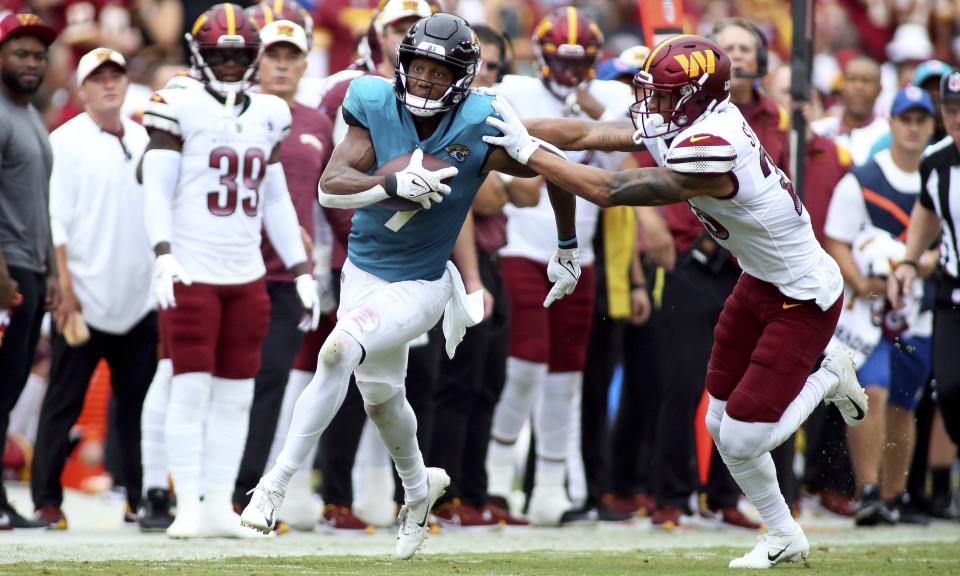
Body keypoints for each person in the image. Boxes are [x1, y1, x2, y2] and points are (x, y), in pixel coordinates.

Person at [484, 34, 869, 568]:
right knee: (717, 420)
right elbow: (590, 132)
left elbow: (612, 190)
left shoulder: (712, 144)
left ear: (697, 97)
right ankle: (783, 533)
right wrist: (512, 128)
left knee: (739, 439)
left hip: (802, 297)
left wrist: (528, 152)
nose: (653, 105)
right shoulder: (687, 116)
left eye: (666, 95)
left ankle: (828, 374)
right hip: (759, 280)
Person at [241, 12, 578, 559]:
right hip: (362, 272)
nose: (425, 80)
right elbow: (331, 187)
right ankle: (420, 491)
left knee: (337, 350)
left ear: (462, 79)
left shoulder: (481, 117)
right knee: (382, 398)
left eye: (439, 72)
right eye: (418, 67)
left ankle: (274, 485)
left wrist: (566, 244)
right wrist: (387, 184)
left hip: (423, 283)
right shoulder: (372, 99)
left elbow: (554, 164)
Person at [140, 3, 318, 538]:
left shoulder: (270, 112)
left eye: (241, 55)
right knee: (190, 388)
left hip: (246, 274)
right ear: (199, 56)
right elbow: (155, 186)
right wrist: (163, 252)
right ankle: (187, 503)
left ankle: (219, 502)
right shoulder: (178, 103)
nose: (232, 64)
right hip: (192, 266)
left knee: (239, 391)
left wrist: (301, 269)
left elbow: (277, 200)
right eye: (221, 55)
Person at [484, 6, 633, 526]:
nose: (568, 73)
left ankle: (551, 489)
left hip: (582, 253)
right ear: (541, 56)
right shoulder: (516, 92)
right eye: (560, 63)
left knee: (566, 376)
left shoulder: (611, 97)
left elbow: (618, 168)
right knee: (524, 367)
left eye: (579, 63)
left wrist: (585, 105)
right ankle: (497, 482)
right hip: (525, 248)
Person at [31, 47, 156, 530]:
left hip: (138, 297)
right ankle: (46, 499)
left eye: (116, 76)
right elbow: (54, 219)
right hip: (81, 295)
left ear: (127, 84)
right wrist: (62, 284)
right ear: (81, 90)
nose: (109, 84)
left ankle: (136, 496)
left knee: (138, 407)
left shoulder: (147, 138)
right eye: (98, 78)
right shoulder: (64, 141)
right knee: (63, 400)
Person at [231, 19, 334, 529]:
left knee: (273, 379)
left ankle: (245, 492)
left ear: (305, 62)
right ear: (256, 59)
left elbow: (329, 197)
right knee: (224, 379)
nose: (281, 65)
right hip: (235, 266)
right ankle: (202, 486)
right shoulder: (234, 111)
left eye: (291, 56)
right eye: (272, 55)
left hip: (289, 273)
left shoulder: (317, 123)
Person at [826, 87, 936, 526]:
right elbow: (836, 239)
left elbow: (946, 242)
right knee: (871, 392)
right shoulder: (863, 179)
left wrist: (919, 266)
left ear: (932, 126)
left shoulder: (940, 177)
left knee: (905, 402)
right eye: (905, 119)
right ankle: (868, 488)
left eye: (920, 120)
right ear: (889, 123)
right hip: (866, 313)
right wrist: (863, 284)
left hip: (916, 309)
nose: (912, 128)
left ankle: (895, 495)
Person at [0, 12, 60, 530]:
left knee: (12, 385)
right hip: (6, 271)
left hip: (29, 267)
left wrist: (52, 276)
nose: (31, 63)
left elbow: (40, 203)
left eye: (38, 55)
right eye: (20, 53)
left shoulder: (30, 114)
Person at [889, 70, 960, 473]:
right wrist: (909, 262)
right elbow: (927, 210)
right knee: (948, 392)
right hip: (951, 291)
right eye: (951, 110)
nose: (958, 118)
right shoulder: (936, 161)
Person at [811, 56, 888, 166]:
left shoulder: (887, 135)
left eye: (866, 80)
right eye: (851, 79)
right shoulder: (818, 130)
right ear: (842, 85)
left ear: (879, 89)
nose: (858, 86)